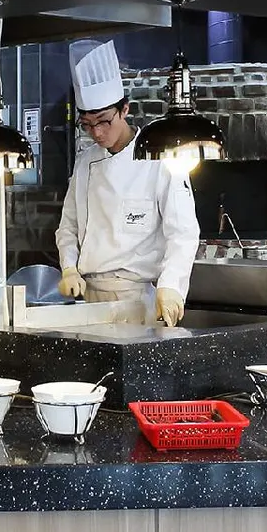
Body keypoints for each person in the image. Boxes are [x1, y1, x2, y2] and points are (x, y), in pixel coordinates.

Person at [54, 42, 200, 326]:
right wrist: (69, 267)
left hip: (139, 301)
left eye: (103, 121)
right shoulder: (85, 163)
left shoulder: (159, 157)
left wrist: (172, 286)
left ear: (124, 110)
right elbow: (68, 227)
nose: (96, 132)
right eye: (87, 124)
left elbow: (183, 232)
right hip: (89, 300)